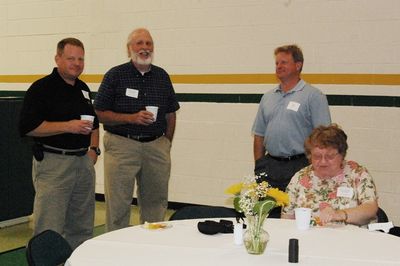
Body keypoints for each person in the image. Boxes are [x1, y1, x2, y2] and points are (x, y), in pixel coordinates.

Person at [94, 28, 180, 231]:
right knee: (118, 204)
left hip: (156, 147)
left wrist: (166, 143)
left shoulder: (162, 76)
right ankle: (117, 253)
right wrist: (130, 118)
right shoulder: (115, 75)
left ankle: (151, 250)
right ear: (129, 49)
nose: (144, 48)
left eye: (148, 44)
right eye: (139, 43)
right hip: (121, 145)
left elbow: (171, 113)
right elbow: (99, 112)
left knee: (156, 204)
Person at [19, 38, 100, 249]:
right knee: (49, 227)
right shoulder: (41, 89)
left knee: (82, 227)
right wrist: (68, 126)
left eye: (81, 59)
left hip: (83, 163)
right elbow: (28, 127)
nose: (77, 63)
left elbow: (95, 124)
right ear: (57, 59)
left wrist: (93, 150)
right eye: (71, 58)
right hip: (54, 165)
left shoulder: (83, 88)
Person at [252, 44, 331, 197]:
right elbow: (258, 135)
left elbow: (324, 138)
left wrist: (316, 168)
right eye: (276, 63)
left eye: (284, 62)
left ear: (298, 65)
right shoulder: (267, 97)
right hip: (269, 166)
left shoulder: (313, 96)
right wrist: (259, 166)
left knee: (295, 212)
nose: (279, 66)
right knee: (267, 212)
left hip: (300, 165)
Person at [281, 124, 378, 226]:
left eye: (330, 156)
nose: (323, 162)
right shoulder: (300, 177)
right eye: (317, 156)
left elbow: (370, 208)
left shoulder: (357, 173)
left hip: (351, 237)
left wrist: (340, 214)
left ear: (342, 154)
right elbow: (287, 219)